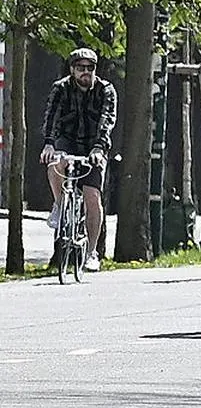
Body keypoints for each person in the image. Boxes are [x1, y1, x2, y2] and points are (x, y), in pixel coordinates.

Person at [40, 48, 118, 272]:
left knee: (92, 196)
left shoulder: (106, 90)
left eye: (90, 67)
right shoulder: (61, 88)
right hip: (67, 140)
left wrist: (99, 149)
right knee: (55, 163)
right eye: (80, 68)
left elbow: (107, 120)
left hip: (94, 144)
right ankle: (60, 205)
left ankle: (92, 252)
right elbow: (51, 116)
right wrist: (49, 143)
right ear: (72, 70)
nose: (86, 72)